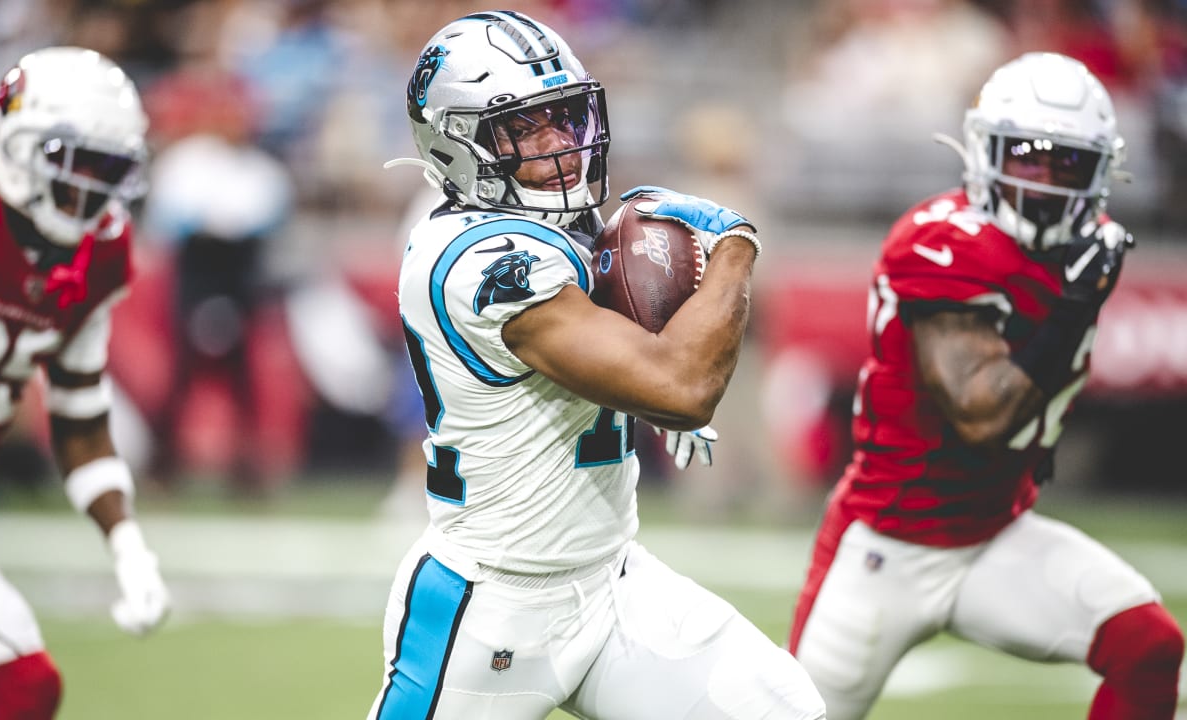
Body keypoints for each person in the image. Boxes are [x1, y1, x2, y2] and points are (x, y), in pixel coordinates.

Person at [367, 11, 825, 720]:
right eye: (527, 127)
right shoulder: (480, 260)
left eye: (565, 116)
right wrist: (734, 244)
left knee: (781, 708)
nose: (561, 145)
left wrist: (641, 369)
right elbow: (683, 387)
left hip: (612, 582)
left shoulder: (561, 228)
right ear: (459, 143)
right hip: (492, 604)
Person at [787, 52, 1184, 720]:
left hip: (993, 532)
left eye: (1069, 165)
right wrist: (1074, 304)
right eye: (1028, 157)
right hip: (887, 547)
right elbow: (981, 413)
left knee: (1148, 648)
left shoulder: (1089, 246)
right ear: (984, 152)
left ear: (1100, 174)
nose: (1047, 182)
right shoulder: (942, 243)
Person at [0, 47, 170, 718]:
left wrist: (127, 544)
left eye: (105, 171)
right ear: (12, 143)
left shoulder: (101, 253)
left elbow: (80, 417)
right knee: (25, 682)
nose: (86, 191)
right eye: (70, 164)